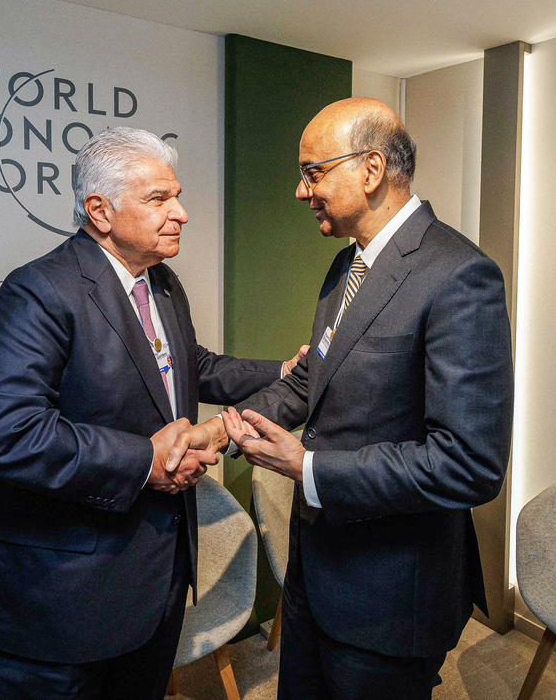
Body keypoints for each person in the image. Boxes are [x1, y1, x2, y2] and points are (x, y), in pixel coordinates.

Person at [0, 126, 296, 700]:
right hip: (52, 606)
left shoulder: (160, 282)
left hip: (149, 587)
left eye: (177, 196)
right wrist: (144, 461)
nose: (181, 213)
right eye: (159, 199)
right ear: (100, 211)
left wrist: (282, 372)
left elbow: (188, 365)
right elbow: (4, 433)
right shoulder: (40, 290)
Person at [218, 98, 514, 699]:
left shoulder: (459, 276)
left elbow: (469, 464)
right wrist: (223, 431)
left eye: (312, 173)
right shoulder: (345, 265)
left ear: (372, 169)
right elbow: (313, 379)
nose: (301, 192)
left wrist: (309, 468)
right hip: (315, 572)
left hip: (389, 597)